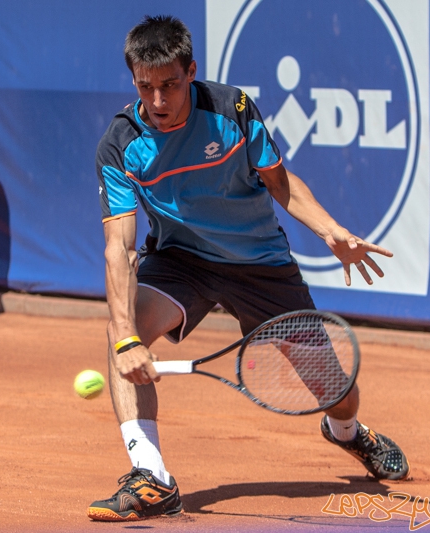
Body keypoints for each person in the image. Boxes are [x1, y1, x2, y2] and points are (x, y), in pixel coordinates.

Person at [88, 15, 409, 522]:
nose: (158, 101)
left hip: (260, 263)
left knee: (338, 394)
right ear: (133, 80)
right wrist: (128, 337)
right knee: (121, 331)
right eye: (146, 87)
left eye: (170, 85)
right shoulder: (121, 143)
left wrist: (330, 231)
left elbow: (279, 182)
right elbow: (119, 249)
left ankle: (347, 432)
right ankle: (152, 477)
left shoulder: (231, 109)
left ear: (191, 72)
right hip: (181, 260)